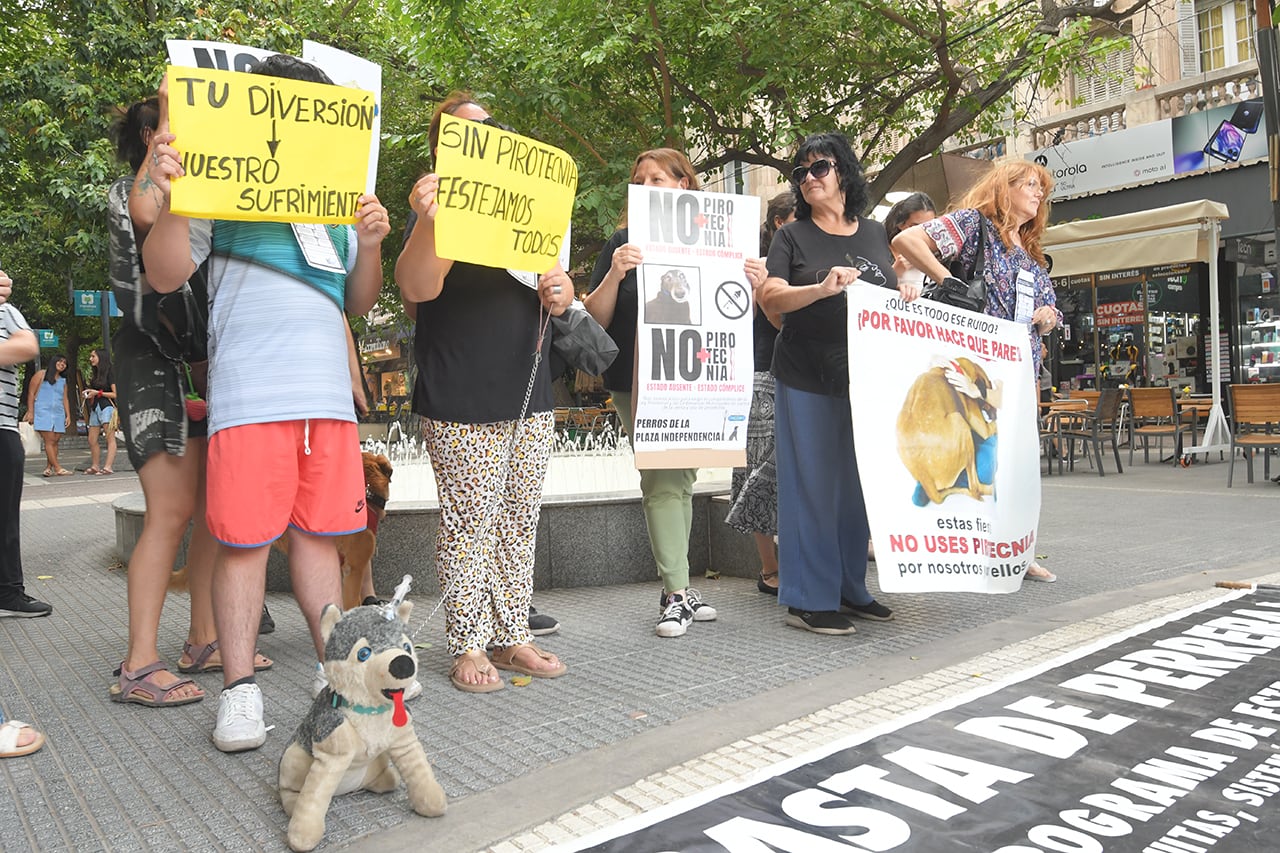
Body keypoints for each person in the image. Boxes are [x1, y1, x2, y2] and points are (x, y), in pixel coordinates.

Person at [141, 54, 389, 749]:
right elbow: (164, 272)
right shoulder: (216, 185)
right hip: (251, 397)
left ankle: (337, 674)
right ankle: (240, 689)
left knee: (318, 540)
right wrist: (172, 196)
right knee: (245, 544)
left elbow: (357, 300)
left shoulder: (340, 201)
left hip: (326, 408)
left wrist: (368, 245)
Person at [395, 92, 570, 692]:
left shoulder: (527, 207)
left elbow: (553, 285)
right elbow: (414, 288)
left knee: (520, 519)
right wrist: (429, 219)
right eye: (461, 132)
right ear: (441, 146)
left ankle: (511, 631)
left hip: (528, 387)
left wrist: (561, 292)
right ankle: (467, 642)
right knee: (469, 522)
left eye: (487, 129)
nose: (477, 139)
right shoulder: (437, 207)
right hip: (462, 389)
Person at [107, 96, 273, 713]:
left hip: (206, 363)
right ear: (154, 133)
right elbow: (148, 215)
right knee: (171, 512)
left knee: (211, 508)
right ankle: (138, 662)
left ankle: (203, 639)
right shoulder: (140, 190)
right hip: (151, 360)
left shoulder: (212, 195)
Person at [892, 158, 1061, 583]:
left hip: (1022, 372)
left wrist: (1048, 316)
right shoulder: (974, 225)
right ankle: (954, 544)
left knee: (1018, 464)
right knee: (978, 456)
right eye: (1029, 184)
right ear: (1004, 189)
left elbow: (1051, 310)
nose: (1038, 194)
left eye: (1041, 188)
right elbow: (909, 240)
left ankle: (1019, 550)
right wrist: (949, 281)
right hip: (978, 368)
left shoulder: (1032, 252)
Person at [756, 133, 896, 635]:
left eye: (819, 168)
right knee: (812, 485)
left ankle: (849, 587)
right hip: (806, 373)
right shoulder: (792, 236)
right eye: (800, 173)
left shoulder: (876, 233)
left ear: (844, 173)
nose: (808, 178)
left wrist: (908, 290)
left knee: (857, 486)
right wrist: (818, 288)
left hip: (865, 378)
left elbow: (891, 297)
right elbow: (771, 298)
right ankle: (808, 599)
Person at [584, 148, 719, 637]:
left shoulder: (711, 236)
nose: (645, 186)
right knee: (663, 482)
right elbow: (595, 319)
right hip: (637, 378)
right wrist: (617, 271)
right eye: (638, 180)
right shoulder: (623, 242)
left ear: (684, 184)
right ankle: (678, 594)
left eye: (657, 178)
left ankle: (674, 587)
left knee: (680, 480)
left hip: (699, 377)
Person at [729, 189, 795, 596]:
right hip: (759, 372)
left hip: (800, 374)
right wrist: (759, 286)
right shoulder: (757, 266)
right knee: (753, 469)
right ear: (779, 224)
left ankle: (792, 560)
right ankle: (769, 567)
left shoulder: (807, 262)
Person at [0, 269, 52, 619]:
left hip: (1, 428)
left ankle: (8, 592)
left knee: (4, 517)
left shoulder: (4, 310)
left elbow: (26, 345)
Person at [25, 352, 72, 477]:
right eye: (60, 361)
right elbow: (30, 393)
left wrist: (68, 415)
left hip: (58, 413)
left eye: (64, 364)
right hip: (43, 411)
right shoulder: (41, 375)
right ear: (54, 361)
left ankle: (48, 467)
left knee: (55, 441)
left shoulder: (63, 381)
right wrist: (31, 412)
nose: (62, 364)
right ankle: (58, 468)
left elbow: (65, 398)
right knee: (49, 440)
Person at [82, 348, 118, 474]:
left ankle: (108, 467)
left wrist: (98, 393)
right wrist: (90, 393)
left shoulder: (110, 371)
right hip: (95, 407)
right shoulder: (96, 373)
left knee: (110, 437)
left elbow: (115, 394)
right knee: (92, 439)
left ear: (100, 357)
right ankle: (95, 465)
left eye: (93, 356)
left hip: (107, 407)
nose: (90, 359)